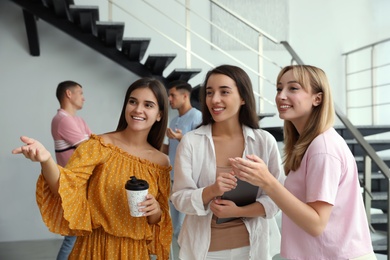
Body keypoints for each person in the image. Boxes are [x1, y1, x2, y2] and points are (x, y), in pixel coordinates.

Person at [12, 78, 173, 259]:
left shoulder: (161, 163)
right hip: (94, 249)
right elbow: (65, 187)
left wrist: (156, 210)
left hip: (134, 253)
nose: (138, 109)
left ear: (159, 114)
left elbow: (158, 220)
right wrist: (46, 159)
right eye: (133, 101)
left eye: (148, 105)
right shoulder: (99, 145)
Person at [230, 65, 375, 259]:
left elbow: (316, 224)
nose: (281, 95)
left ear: (318, 98)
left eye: (293, 88)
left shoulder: (322, 149)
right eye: (279, 88)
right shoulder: (312, 145)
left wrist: (268, 181)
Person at [170, 64, 284, 260]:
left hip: (253, 248)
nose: (214, 100)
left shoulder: (264, 141)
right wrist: (211, 190)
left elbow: (278, 197)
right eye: (209, 92)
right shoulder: (191, 141)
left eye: (224, 92)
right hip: (205, 251)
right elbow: (179, 197)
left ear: (242, 98)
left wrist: (240, 211)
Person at [51, 80, 92, 260]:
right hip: (74, 185)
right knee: (73, 236)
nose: (84, 98)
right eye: (80, 93)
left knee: (82, 235)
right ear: (69, 94)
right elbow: (89, 148)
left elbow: (94, 145)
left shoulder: (78, 120)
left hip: (83, 184)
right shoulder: (62, 120)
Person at [162, 80, 202, 238]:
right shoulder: (173, 121)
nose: (169, 99)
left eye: (172, 95)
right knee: (175, 227)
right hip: (173, 178)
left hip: (188, 180)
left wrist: (181, 138)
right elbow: (170, 150)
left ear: (185, 96)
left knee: (182, 228)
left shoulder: (197, 117)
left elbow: (201, 148)